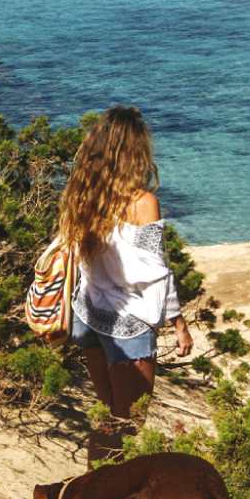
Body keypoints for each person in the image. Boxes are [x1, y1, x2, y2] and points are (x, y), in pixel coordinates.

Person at [57, 106, 194, 465]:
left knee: (106, 416)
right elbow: (156, 272)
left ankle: (90, 495)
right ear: (136, 152)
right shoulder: (142, 203)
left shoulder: (81, 198)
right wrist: (178, 323)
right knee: (129, 427)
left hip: (87, 316)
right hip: (128, 325)